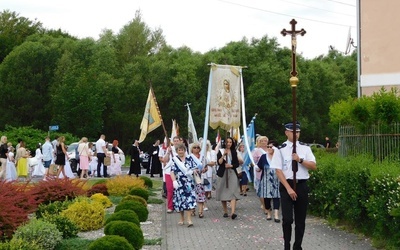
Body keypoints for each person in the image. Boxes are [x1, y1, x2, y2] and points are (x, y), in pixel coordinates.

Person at [270, 122, 317, 250]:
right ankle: (286, 245)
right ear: (286, 133)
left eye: (297, 132)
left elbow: (313, 166)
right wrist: (289, 188)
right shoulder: (280, 149)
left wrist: (300, 160)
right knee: (288, 219)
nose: (296, 134)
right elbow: (278, 171)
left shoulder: (305, 148)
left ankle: (297, 246)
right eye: (293, 132)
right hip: (287, 186)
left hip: (301, 185)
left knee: (300, 220)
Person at [170, 143, 197, 227]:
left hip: (189, 183)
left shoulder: (189, 159)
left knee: (189, 201)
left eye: (182, 150)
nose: (181, 151)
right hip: (179, 183)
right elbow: (172, 172)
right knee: (180, 201)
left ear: (185, 150)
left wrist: (194, 171)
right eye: (179, 150)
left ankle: (189, 219)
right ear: (177, 151)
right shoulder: (175, 160)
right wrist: (174, 181)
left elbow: (195, 168)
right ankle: (182, 218)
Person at [216, 137, 240, 220]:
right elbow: (219, 163)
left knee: (233, 191)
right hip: (223, 173)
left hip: (232, 172)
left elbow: (237, 164)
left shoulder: (234, 152)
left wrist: (231, 165)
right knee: (223, 191)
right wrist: (223, 155)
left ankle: (233, 212)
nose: (229, 143)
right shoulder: (221, 151)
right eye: (227, 142)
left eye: (230, 142)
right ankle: (225, 211)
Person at [257, 140, 281, 222]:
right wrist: (256, 168)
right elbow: (259, 167)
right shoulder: (264, 157)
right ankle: (269, 212)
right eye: (268, 147)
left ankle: (276, 214)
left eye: (271, 147)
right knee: (266, 198)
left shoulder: (279, 157)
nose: (269, 148)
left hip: (276, 180)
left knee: (276, 197)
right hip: (266, 181)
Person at [161, 136, 181, 213]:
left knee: (178, 190)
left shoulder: (182, 150)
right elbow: (164, 160)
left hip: (179, 172)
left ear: (180, 141)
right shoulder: (170, 149)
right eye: (175, 141)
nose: (176, 142)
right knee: (170, 189)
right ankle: (170, 207)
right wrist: (168, 152)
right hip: (169, 171)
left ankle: (178, 205)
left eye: (177, 141)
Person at [190, 142, 207, 218]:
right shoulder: (189, 157)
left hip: (200, 179)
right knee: (192, 194)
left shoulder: (202, 157)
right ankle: (192, 210)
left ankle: (200, 211)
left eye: (198, 147)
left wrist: (204, 169)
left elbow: (206, 167)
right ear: (192, 149)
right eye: (195, 147)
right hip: (192, 178)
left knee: (201, 194)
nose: (196, 149)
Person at [253, 136, 269, 213]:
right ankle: (265, 207)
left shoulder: (270, 149)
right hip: (260, 173)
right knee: (261, 190)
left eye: (265, 141)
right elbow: (254, 162)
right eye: (262, 141)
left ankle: (268, 204)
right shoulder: (257, 151)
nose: (263, 142)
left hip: (270, 173)